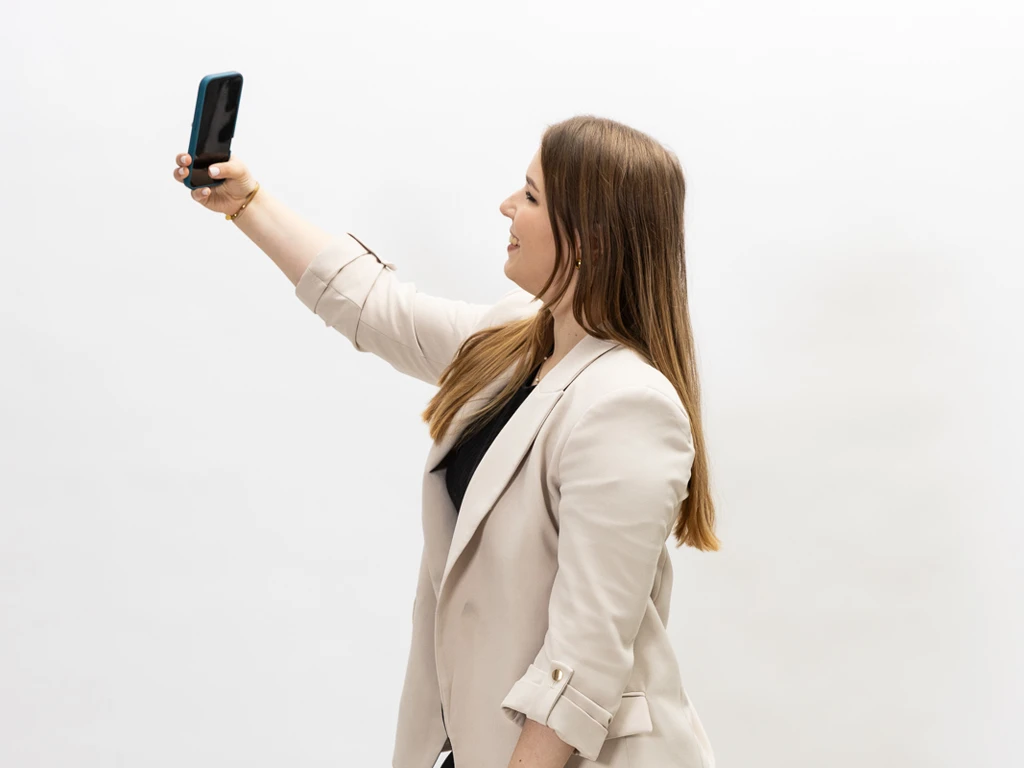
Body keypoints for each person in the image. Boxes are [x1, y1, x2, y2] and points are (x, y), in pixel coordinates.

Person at [173, 114, 719, 768]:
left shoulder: (627, 405)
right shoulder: (515, 340)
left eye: (532, 195)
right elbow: (373, 307)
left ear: (591, 239)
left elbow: (582, 665)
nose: (506, 207)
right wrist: (247, 204)